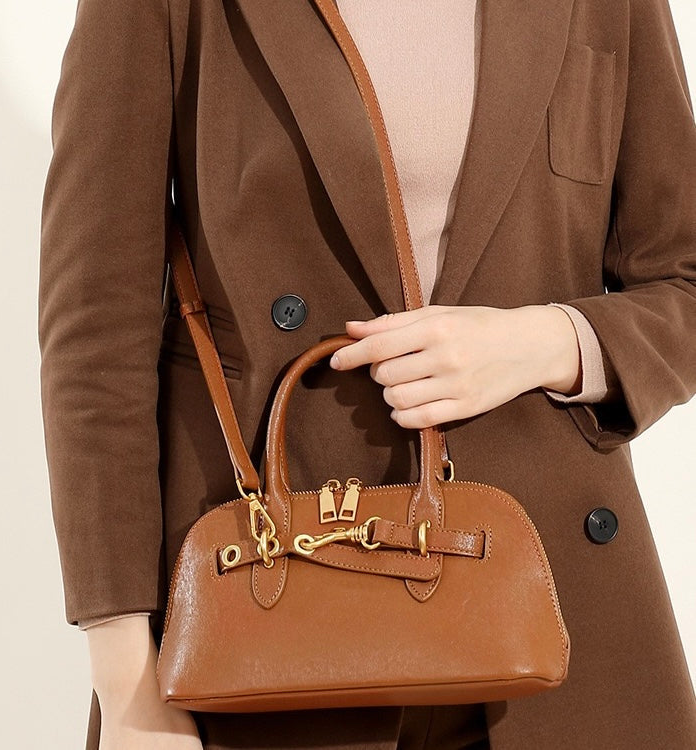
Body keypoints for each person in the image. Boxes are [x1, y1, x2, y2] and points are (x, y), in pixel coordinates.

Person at [38, 0, 696, 748]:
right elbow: (96, 336)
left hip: (557, 614)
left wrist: (545, 341)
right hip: (270, 618)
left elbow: (683, 278)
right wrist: (126, 684)